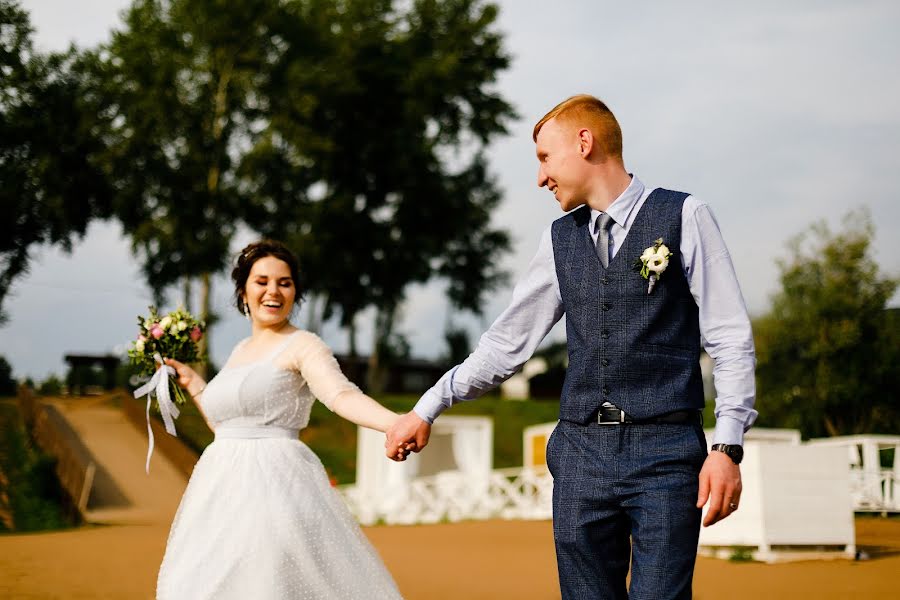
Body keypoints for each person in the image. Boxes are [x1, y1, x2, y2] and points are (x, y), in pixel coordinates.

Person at [386, 94, 757, 599]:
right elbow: (505, 347)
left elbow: (730, 338)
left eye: (544, 158)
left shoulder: (685, 216)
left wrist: (728, 445)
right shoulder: (558, 240)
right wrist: (427, 407)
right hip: (581, 455)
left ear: (585, 142)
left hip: (666, 454)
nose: (541, 178)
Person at [158, 240, 405, 599]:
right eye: (262, 281)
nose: (273, 291)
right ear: (243, 289)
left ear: (295, 292)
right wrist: (195, 384)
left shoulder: (304, 345)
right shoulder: (239, 351)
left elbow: (341, 395)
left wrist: (392, 423)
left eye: (284, 283)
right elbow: (227, 428)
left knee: (265, 582)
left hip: (274, 487)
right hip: (218, 492)